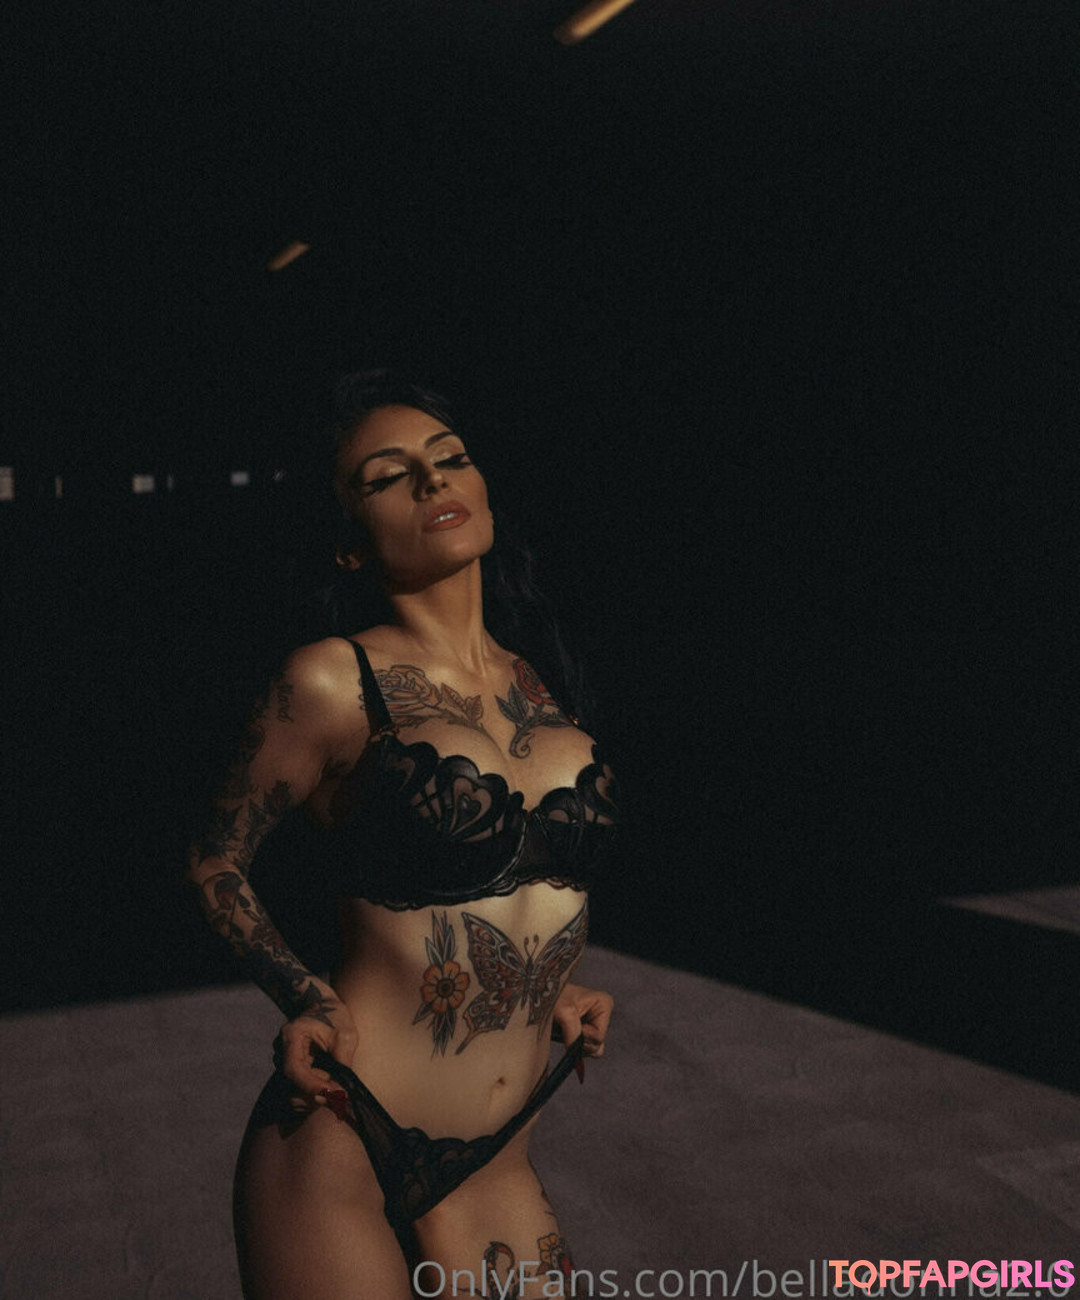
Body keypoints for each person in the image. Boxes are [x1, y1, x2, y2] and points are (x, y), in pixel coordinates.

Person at [185, 372, 620, 1300]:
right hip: (345, 1133)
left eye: (449, 457)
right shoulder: (331, 682)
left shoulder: (540, 680)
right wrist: (303, 995)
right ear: (350, 544)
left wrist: (553, 987)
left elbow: (522, 887)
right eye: (387, 476)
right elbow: (216, 858)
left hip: (502, 1154)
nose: (431, 480)